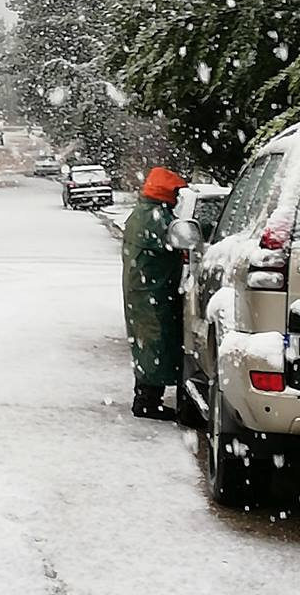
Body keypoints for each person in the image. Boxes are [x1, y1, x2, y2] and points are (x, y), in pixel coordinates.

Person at [122, 166, 188, 421]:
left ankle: (146, 396)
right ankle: (147, 402)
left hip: (144, 290)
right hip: (152, 292)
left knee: (148, 343)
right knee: (154, 342)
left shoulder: (143, 213)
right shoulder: (156, 218)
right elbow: (180, 239)